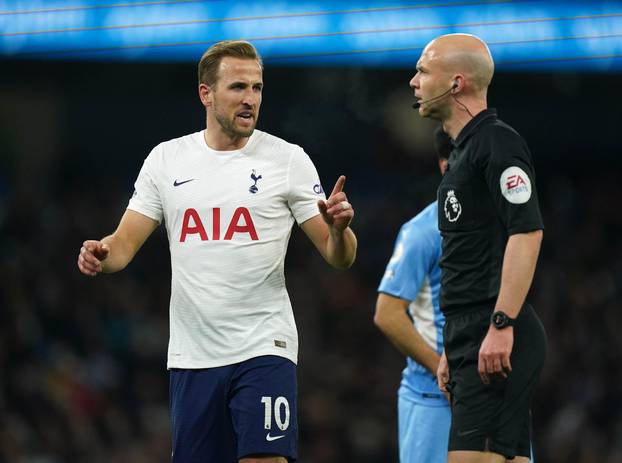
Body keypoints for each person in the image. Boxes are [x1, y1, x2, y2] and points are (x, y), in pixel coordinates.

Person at [77, 40, 357, 463]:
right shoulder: (166, 160)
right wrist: (102, 252)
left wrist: (339, 230)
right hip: (192, 355)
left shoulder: (287, 160)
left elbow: (340, 257)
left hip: (264, 346)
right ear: (206, 94)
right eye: (238, 87)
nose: (250, 99)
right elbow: (124, 244)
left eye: (257, 88)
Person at [409, 33, 546, 463]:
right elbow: (472, 255)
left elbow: (527, 232)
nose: (413, 82)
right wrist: (453, 343)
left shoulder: (497, 143)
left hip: (494, 330)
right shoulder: (463, 152)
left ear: (456, 82)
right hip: (471, 334)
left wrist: (501, 324)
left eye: (423, 71)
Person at [374, 128, 452, 463]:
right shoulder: (423, 230)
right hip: (433, 397)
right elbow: (387, 314)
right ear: (444, 165)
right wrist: (443, 371)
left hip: (494, 396)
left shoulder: (504, 226)